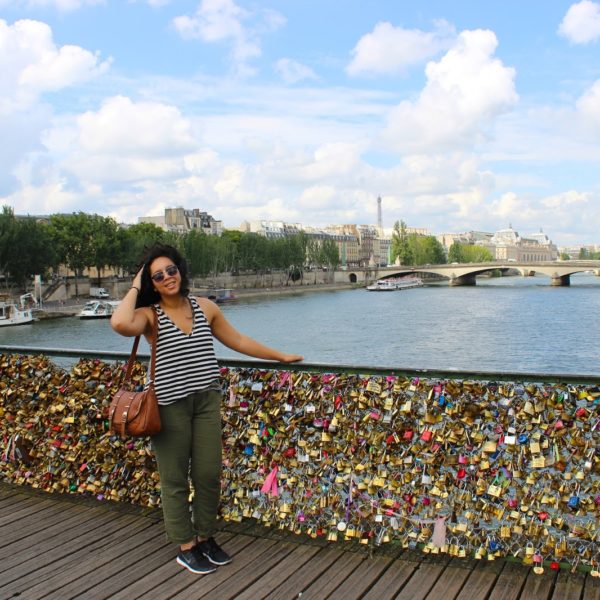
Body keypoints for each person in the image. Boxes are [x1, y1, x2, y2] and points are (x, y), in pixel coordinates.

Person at [111, 243, 303, 575]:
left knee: (208, 474)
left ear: (181, 270)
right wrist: (134, 284)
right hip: (169, 406)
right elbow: (119, 323)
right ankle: (186, 546)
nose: (168, 277)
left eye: (171, 270)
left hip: (206, 401)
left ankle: (204, 536)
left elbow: (238, 341)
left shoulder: (205, 307)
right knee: (174, 479)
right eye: (158, 275)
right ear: (151, 284)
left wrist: (280, 356)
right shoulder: (149, 314)